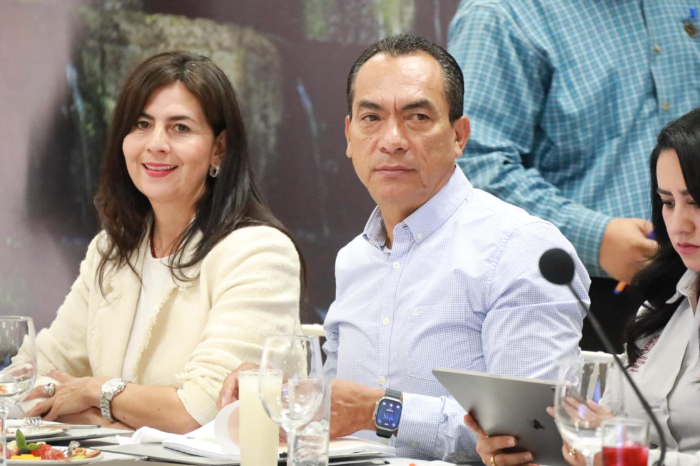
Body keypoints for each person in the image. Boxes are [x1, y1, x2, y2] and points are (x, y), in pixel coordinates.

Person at [219, 34, 589, 462]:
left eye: (417, 117)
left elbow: (535, 435)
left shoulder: (521, 248)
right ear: (349, 135)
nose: (392, 139)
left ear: (459, 136)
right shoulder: (354, 259)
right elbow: (333, 410)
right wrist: (279, 394)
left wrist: (380, 411)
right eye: (371, 117)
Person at [22, 50, 302, 434]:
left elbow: (202, 410)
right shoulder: (111, 250)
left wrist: (94, 392)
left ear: (219, 148)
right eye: (142, 124)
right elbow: (32, 378)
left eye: (180, 128)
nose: (156, 143)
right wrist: (119, 418)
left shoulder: (259, 253)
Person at [448, 0, 700, 352]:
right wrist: (596, 238)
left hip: (690, 278)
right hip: (586, 292)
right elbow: (475, 165)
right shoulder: (503, 14)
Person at [467, 108, 700, 466]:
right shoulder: (662, 309)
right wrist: (527, 444)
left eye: (695, 201)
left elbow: (631, 454)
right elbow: (611, 434)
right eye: (668, 202)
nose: (679, 224)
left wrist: (629, 457)